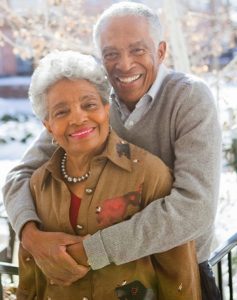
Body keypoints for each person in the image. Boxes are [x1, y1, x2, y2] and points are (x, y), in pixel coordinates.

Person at [3, 2, 221, 300]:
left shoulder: (189, 98)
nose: (125, 64)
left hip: (177, 272)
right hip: (99, 276)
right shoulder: (93, 105)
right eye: (111, 54)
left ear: (160, 51)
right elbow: (19, 175)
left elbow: (194, 209)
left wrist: (89, 251)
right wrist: (31, 237)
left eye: (138, 50)